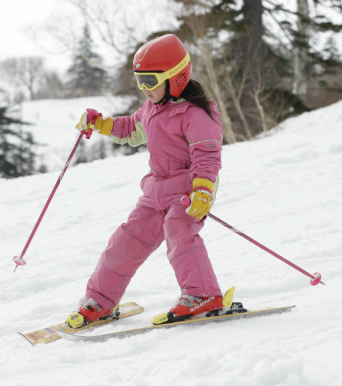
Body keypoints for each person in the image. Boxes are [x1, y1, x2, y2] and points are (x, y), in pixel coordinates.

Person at [66, 34, 225, 328]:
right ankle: (100, 300)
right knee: (125, 240)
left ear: (175, 78)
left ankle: (203, 294)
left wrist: (202, 191)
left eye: (150, 81)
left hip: (189, 191)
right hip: (156, 190)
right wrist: (101, 123)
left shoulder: (196, 114)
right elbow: (130, 130)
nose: (143, 88)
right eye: (139, 80)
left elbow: (207, 155)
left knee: (180, 234)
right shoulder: (151, 109)